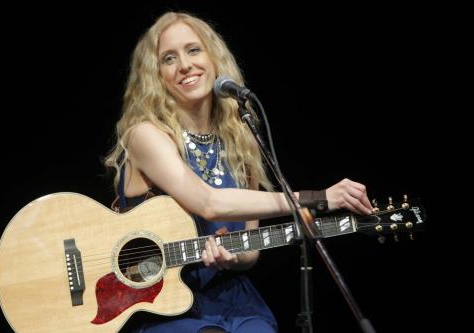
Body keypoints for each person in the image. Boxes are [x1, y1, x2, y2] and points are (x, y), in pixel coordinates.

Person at [104, 11, 372, 333]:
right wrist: (316, 199)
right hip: (159, 304)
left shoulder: (241, 139)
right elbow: (209, 203)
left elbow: (251, 250)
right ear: (156, 75)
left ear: (214, 58)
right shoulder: (146, 135)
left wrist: (234, 257)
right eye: (168, 59)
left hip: (230, 298)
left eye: (193, 50)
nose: (185, 65)